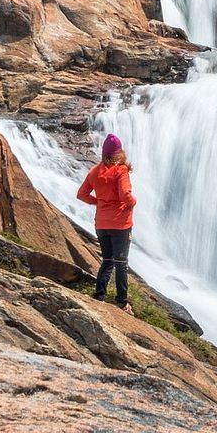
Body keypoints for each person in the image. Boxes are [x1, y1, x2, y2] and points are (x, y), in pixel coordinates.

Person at [76, 133, 136, 314]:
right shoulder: (121, 170)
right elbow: (125, 195)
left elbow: (81, 195)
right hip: (120, 224)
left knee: (107, 261)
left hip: (101, 224)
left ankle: (99, 294)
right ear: (120, 153)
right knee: (121, 262)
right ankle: (122, 302)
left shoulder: (94, 171)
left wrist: (98, 202)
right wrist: (133, 202)